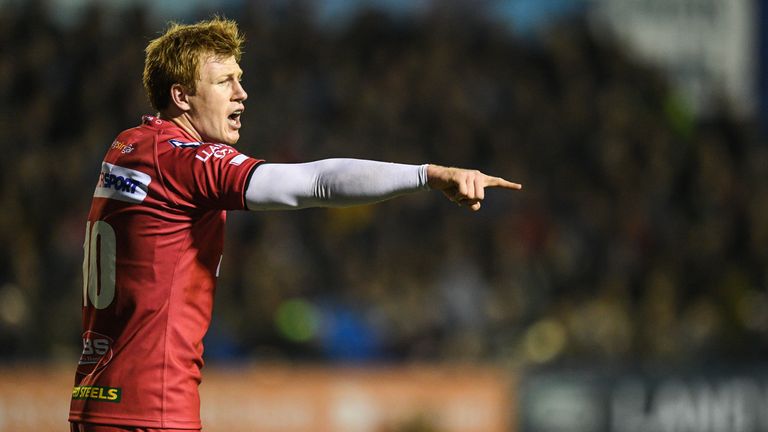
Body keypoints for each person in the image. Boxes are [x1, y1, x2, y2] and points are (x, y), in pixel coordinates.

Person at [68, 17, 522, 432]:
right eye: (225, 82)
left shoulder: (129, 146)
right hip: (151, 410)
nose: (241, 93)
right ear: (181, 96)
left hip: (97, 399)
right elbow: (315, 182)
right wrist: (427, 175)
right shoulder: (186, 161)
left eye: (240, 80)